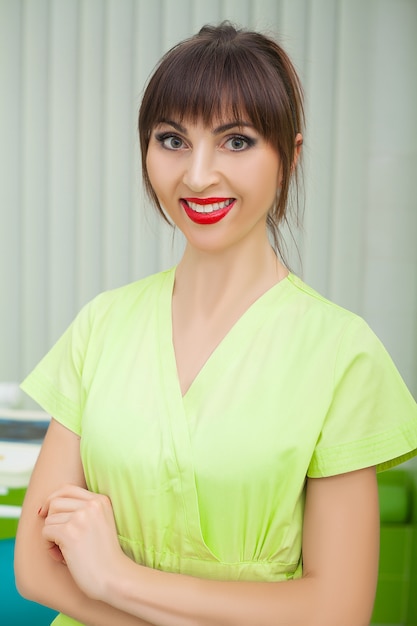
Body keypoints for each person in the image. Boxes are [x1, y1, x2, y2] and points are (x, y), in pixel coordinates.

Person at [14, 22, 417, 626]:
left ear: (291, 155)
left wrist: (115, 577)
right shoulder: (101, 325)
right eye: (172, 140)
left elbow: (336, 611)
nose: (198, 175)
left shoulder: (341, 353)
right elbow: (35, 568)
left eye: (236, 141)